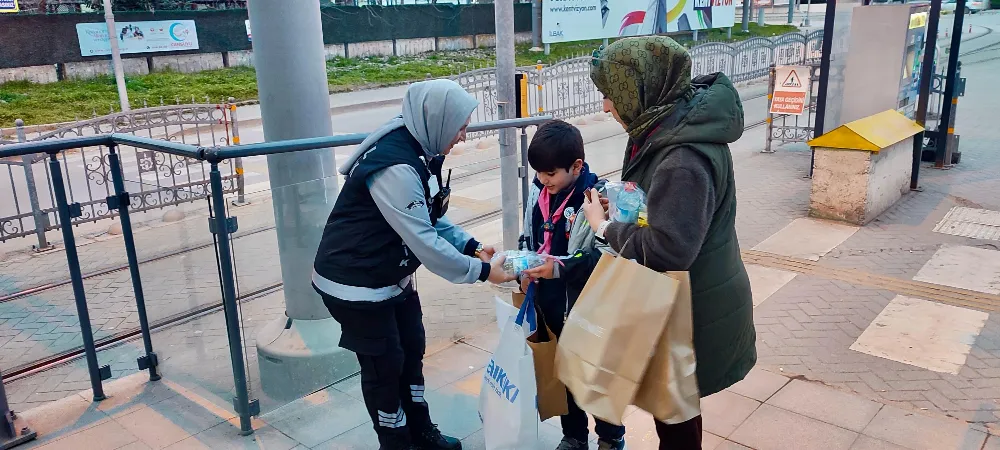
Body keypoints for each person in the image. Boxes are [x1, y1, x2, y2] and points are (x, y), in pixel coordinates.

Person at [312, 79, 515, 450]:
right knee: (385, 367)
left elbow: (428, 216)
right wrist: (483, 272)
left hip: (391, 275)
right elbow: (424, 241)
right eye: (461, 127)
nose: (463, 137)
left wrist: (471, 246)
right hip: (355, 282)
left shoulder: (420, 149)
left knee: (411, 349)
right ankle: (396, 443)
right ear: (437, 120)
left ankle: (421, 432)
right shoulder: (396, 167)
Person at [582, 36, 757, 450]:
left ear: (639, 87)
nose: (605, 106)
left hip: (693, 307)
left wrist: (604, 226)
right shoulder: (665, 122)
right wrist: (629, 201)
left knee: (675, 418)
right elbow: (668, 208)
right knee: (675, 408)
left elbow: (670, 247)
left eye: (610, 93)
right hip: (687, 296)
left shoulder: (682, 156)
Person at [515, 120, 626, 450]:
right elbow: (530, 235)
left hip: (587, 308)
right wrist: (521, 263)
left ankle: (609, 437)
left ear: (576, 166)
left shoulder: (598, 198)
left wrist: (558, 268)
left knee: (596, 376)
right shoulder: (540, 193)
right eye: (538, 173)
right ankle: (574, 435)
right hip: (549, 304)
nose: (542, 181)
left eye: (550, 174)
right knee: (562, 373)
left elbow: (606, 260)